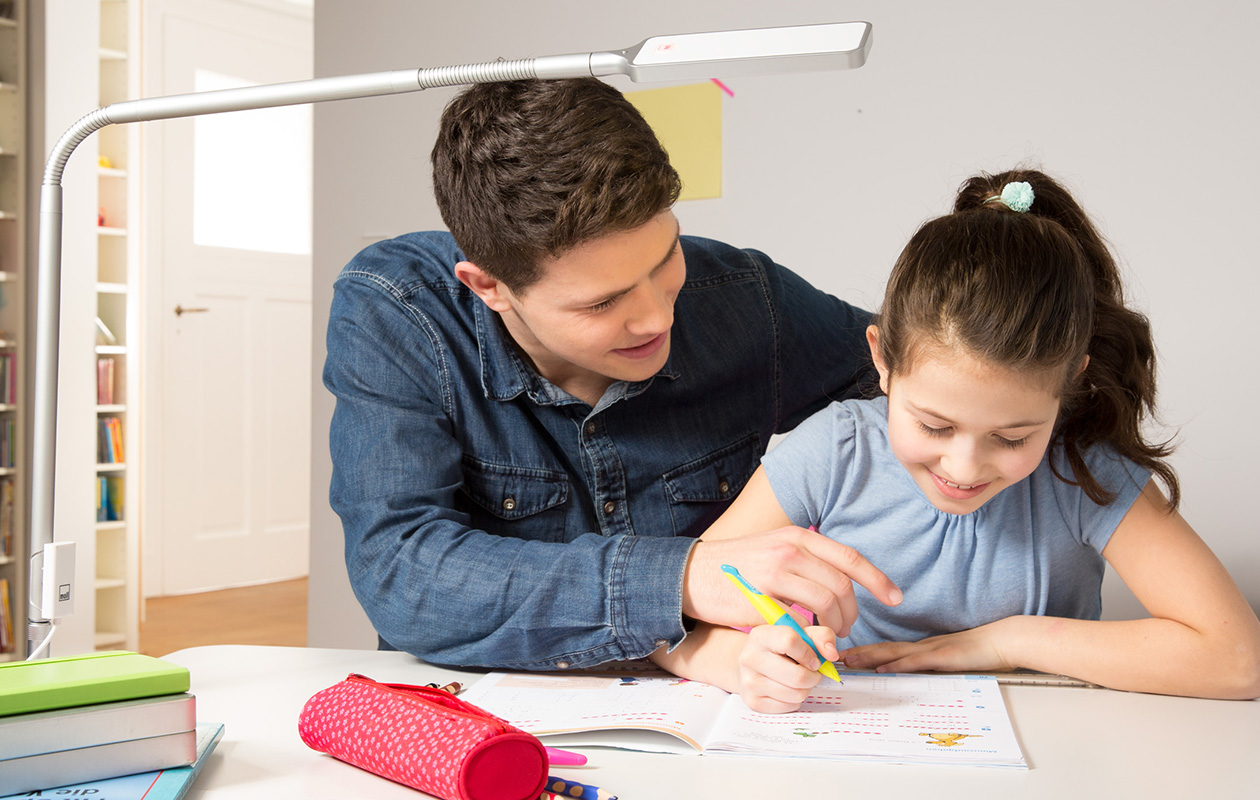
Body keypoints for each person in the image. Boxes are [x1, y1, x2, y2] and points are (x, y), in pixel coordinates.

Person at [323, 77, 901, 670]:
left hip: (720, 709)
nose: (657, 317)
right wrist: (685, 578)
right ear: (489, 287)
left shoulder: (745, 297)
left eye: (667, 257)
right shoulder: (398, 310)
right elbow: (402, 575)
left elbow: (930, 377)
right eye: (603, 303)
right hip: (484, 720)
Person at [651, 169, 1260, 711]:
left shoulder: (1084, 472)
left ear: (1070, 385)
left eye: (1012, 436)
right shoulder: (837, 451)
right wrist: (740, 662)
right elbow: (668, 604)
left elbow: (1237, 659)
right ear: (882, 359)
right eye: (934, 426)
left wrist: (1007, 640)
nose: (964, 466)